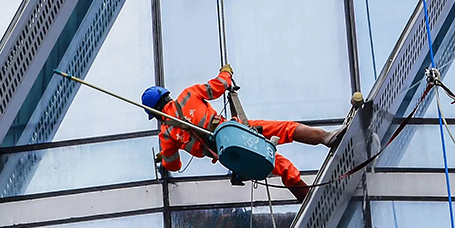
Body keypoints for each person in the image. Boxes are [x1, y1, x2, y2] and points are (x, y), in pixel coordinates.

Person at [143, 66, 339, 200]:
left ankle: (305, 199)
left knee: (280, 165)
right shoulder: (188, 95)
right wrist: (226, 73)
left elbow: (174, 166)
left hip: (229, 155)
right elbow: (219, 86)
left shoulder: (166, 134)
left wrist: (165, 157)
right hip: (234, 132)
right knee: (284, 129)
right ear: (166, 94)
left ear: (155, 114)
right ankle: (326, 137)